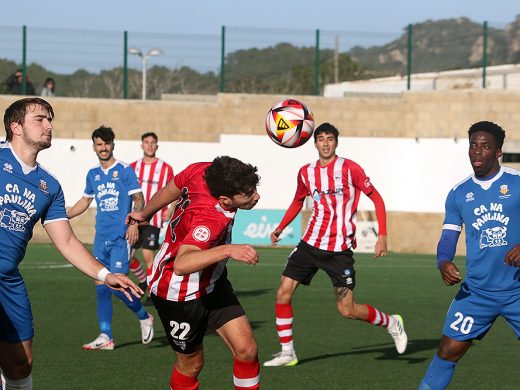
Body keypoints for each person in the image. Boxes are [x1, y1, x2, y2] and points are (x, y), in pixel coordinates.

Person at [0, 98, 141, 390]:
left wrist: (105, 274)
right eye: (40, 119)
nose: (49, 125)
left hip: (7, 281)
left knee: (21, 363)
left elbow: (65, 240)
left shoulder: (49, 186)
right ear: (15, 126)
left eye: (50, 119)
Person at [263, 122, 408, 367]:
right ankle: (288, 351)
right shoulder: (305, 172)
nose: (326, 143)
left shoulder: (350, 168)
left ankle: (392, 323)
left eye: (330, 138)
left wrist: (382, 235)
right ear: (315, 143)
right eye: (321, 139)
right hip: (309, 246)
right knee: (282, 293)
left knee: (347, 310)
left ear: (336, 142)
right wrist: (281, 227)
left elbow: (377, 198)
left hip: (339, 252)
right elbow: (298, 202)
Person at [127, 156, 261, 390]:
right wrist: (229, 249)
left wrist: (144, 214)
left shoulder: (203, 170)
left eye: (254, 189)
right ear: (225, 200)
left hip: (212, 282)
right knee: (192, 365)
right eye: (248, 194)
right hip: (176, 292)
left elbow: (170, 189)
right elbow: (182, 263)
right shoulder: (210, 219)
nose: (256, 196)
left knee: (246, 350)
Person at [419, 121, 520, 389]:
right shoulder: (458, 193)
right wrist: (443, 261)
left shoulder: (517, 183)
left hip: (518, 291)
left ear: (498, 151)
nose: (477, 151)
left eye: (485, 146)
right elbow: (449, 236)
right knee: (447, 350)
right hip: (477, 293)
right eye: (473, 145)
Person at [67, 126, 154, 350]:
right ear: (94, 147)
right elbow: (85, 202)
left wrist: (134, 223)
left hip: (120, 237)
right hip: (101, 238)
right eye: (99, 144)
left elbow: (139, 198)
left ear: (112, 145)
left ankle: (145, 317)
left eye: (106, 144)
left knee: (117, 285)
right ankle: (106, 336)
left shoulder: (124, 170)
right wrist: (61, 217)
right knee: (100, 286)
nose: (103, 148)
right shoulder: (92, 174)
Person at [128, 132, 174, 295]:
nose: (149, 145)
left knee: (148, 256)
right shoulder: (133, 167)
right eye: (146, 142)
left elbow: (173, 190)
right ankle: (144, 281)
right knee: (129, 257)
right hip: (134, 220)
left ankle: (153, 292)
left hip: (153, 219)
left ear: (157, 145)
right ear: (142, 145)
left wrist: (171, 208)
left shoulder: (165, 168)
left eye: (152, 142)